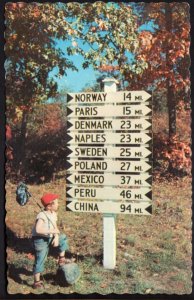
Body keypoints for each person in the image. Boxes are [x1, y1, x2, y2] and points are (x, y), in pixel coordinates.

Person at [32, 193, 69, 289]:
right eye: (56, 203)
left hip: (50, 236)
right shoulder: (42, 215)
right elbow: (38, 230)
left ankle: (61, 259)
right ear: (49, 206)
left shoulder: (53, 214)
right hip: (40, 240)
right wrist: (52, 231)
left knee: (62, 237)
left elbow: (54, 226)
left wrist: (56, 236)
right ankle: (37, 282)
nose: (58, 204)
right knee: (40, 259)